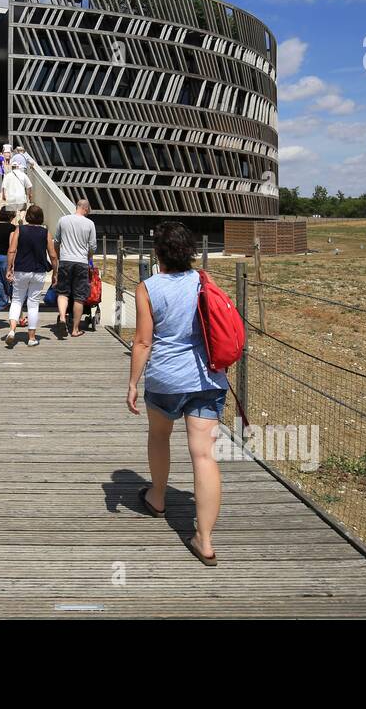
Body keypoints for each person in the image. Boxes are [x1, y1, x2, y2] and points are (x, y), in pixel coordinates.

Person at [125, 221, 229, 567]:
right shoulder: (204, 280)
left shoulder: (148, 287)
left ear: (158, 253)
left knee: (159, 435)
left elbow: (143, 341)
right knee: (204, 456)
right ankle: (206, 540)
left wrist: (132, 383)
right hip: (207, 378)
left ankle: (157, 497)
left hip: (166, 378)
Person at [5, 204, 57, 348]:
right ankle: (32, 338)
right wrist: (55, 273)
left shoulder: (19, 230)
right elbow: (52, 255)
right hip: (38, 271)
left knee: (16, 300)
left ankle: (12, 330)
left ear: (27, 216)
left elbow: (12, 250)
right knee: (33, 304)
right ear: (41, 218)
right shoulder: (45, 233)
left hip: (21, 269)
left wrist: (9, 268)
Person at [54, 198, 98, 338]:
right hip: (81, 262)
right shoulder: (90, 224)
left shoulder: (63, 220)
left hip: (66, 260)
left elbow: (57, 241)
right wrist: (89, 257)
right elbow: (92, 247)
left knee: (63, 293)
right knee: (79, 297)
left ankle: (62, 318)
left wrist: (60, 255)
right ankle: (75, 330)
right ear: (85, 208)